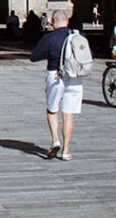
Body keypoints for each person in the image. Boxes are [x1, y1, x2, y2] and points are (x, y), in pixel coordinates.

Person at [29, 9, 83, 160]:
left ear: (53, 21)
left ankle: (55, 141)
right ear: (67, 21)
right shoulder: (78, 36)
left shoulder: (49, 38)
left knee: (52, 110)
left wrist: (48, 54)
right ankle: (66, 151)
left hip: (56, 75)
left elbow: (33, 57)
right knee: (68, 114)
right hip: (74, 78)